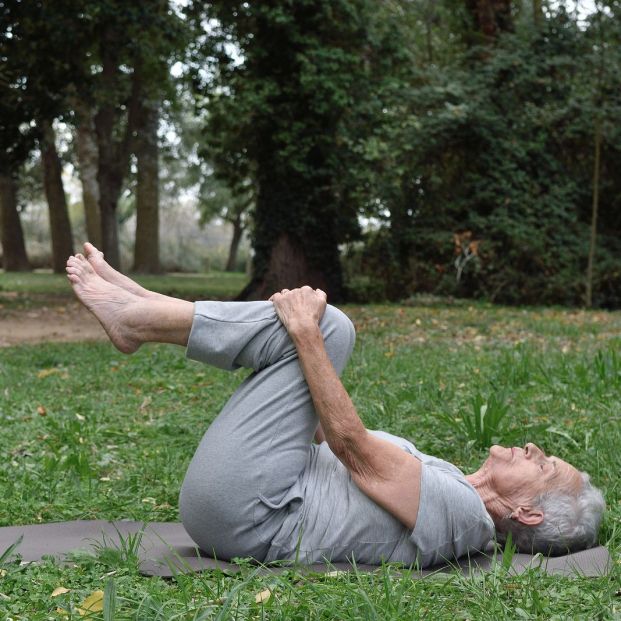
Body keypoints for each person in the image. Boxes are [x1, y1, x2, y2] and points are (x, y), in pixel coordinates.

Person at [66, 245, 605, 567]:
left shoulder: (466, 518)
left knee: (326, 327)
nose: (534, 449)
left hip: (249, 515)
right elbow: (327, 433)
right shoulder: (451, 482)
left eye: (545, 465)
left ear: (527, 513)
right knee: (327, 332)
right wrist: (308, 344)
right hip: (252, 497)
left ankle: (137, 317)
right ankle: (140, 309)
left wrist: (306, 332)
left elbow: (351, 446)